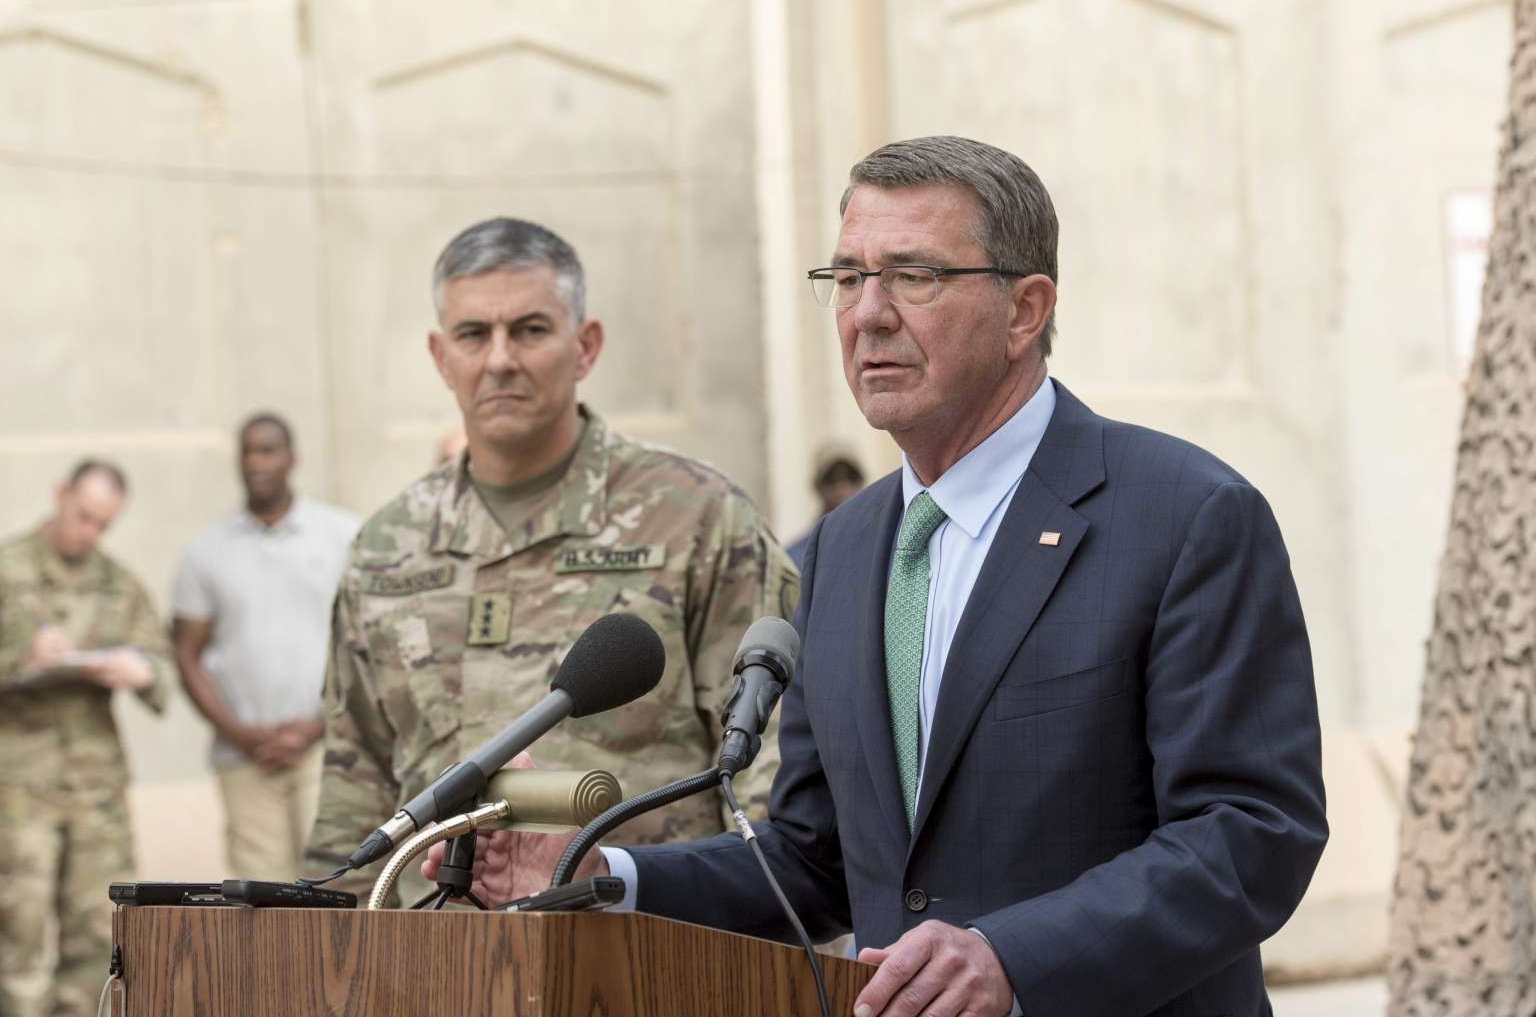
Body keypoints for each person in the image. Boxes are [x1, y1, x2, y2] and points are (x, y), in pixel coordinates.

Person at [447, 137, 1328, 1017]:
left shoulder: (1183, 516)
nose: (867, 314)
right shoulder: (837, 552)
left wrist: (1014, 961)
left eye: (914, 277)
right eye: (847, 278)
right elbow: (816, 859)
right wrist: (602, 872)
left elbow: (1252, 833)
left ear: (1025, 310)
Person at [303, 217, 798, 904]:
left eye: (530, 330)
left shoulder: (698, 518)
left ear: (585, 346)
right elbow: (353, 795)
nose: (500, 359)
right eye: (473, 334)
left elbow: (770, 791)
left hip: (638, 941)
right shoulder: (385, 548)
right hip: (436, 952)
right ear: (441, 357)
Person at [0, 460, 171, 1017]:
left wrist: (142, 672)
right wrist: (21, 659)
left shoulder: (119, 585)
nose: (89, 533)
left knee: (99, 933)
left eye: (103, 524)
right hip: (18, 788)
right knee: (17, 932)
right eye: (82, 516)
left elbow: (162, 673)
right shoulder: (8, 570)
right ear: (59, 494)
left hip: (96, 790)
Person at [170, 413, 360, 880]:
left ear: (291, 457)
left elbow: (368, 644)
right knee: (258, 898)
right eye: (248, 451)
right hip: (244, 759)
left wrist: (318, 725)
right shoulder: (206, 550)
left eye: (268, 450)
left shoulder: (342, 536)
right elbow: (186, 655)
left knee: (332, 887)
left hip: (327, 749)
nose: (257, 462)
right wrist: (237, 732)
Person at [785, 445, 866, 567]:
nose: (842, 488)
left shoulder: (879, 545)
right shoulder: (796, 558)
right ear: (817, 487)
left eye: (851, 477)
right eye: (832, 479)